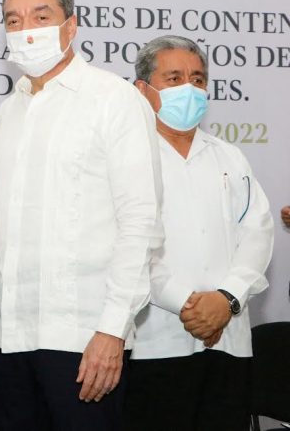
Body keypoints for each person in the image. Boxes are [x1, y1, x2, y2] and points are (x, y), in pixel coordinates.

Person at [0, 0, 162, 431]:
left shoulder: (113, 99)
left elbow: (141, 222)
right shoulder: (10, 109)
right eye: (14, 20)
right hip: (8, 336)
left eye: (41, 17)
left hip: (84, 339)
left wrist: (112, 330)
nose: (26, 30)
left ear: (71, 25)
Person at [125, 35, 274, 431]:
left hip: (228, 340)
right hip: (153, 344)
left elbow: (257, 233)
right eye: (174, 78)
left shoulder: (230, 156)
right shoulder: (127, 158)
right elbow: (128, 245)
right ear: (143, 89)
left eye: (198, 79)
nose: (189, 89)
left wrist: (227, 299)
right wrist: (186, 304)